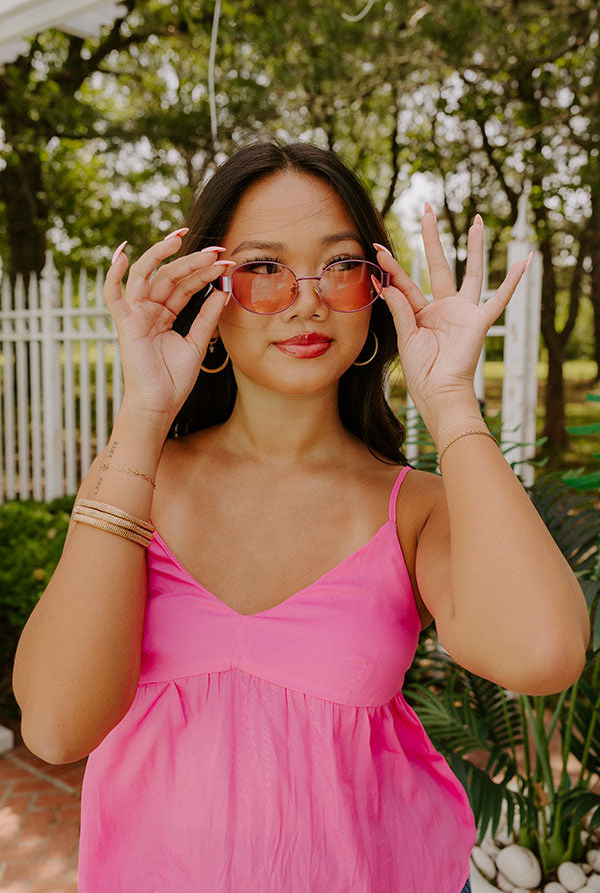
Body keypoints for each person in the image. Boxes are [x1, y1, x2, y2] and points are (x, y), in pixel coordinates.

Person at [13, 140, 589, 893]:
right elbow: (57, 726)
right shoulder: (136, 480)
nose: (307, 298)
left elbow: (543, 654)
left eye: (341, 264)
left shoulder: (414, 508)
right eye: (262, 268)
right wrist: (145, 413)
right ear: (209, 298)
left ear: (375, 290)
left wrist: (451, 402)